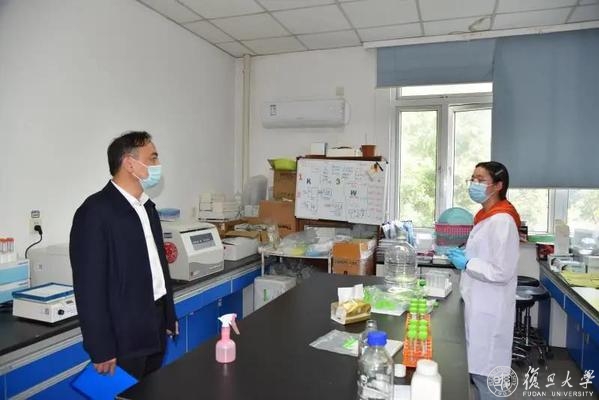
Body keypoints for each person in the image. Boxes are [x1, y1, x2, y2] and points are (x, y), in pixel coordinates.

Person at [70, 131, 178, 380]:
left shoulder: (147, 207)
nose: (157, 165)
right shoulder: (95, 212)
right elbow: (89, 288)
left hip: (154, 325)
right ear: (130, 164)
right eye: (152, 158)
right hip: (123, 336)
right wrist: (100, 347)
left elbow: (159, 268)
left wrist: (168, 317)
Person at [446, 161, 521, 400]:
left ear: (498, 185)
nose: (474, 184)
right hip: (478, 303)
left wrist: (468, 263)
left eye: (480, 180)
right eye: (473, 179)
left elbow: (502, 271)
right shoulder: (485, 217)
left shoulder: (502, 220)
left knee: (487, 378)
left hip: (490, 308)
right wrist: (466, 255)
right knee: (478, 375)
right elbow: (485, 255)